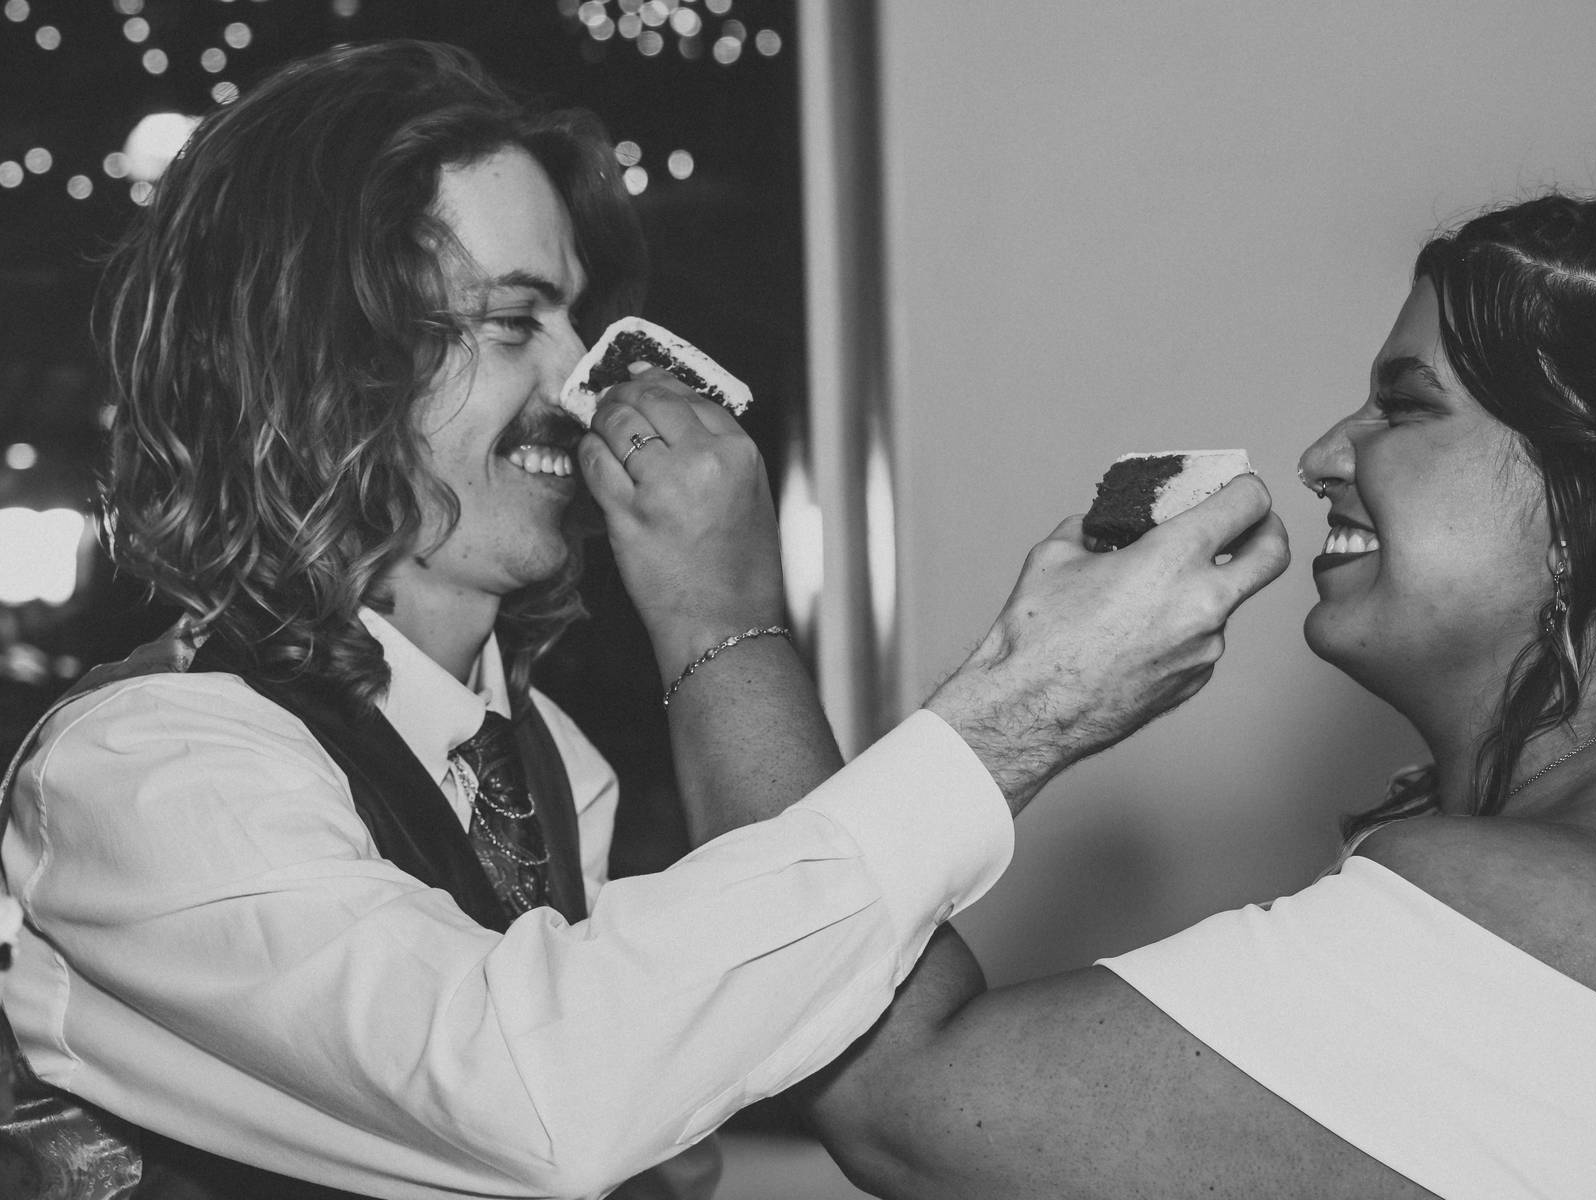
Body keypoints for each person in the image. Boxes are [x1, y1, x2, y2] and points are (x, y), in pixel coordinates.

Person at [0, 40, 1288, 1200]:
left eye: (571, 313)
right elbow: (534, 1095)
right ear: (317, 360)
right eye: (514, 320)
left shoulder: (548, 759)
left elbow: (648, 1060)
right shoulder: (148, 771)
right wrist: (1022, 709)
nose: (581, 376)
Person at [790, 193, 1596, 1199]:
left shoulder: (1524, 900)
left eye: (1406, 407)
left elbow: (897, 1103)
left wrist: (742, 609)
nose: (1322, 458)